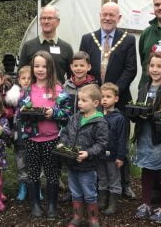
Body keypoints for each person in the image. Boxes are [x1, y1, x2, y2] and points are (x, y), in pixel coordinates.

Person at [79, 1, 137, 199]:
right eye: (105, 14)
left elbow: (131, 69)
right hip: (94, 103)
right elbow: (84, 66)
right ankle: (97, 183)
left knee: (120, 141)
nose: (108, 18)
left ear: (119, 18)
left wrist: (112, 94)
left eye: (112, 15)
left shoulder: (128, 40)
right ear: (100, 15)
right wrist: (96, 95)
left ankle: (124, 183)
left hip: (119, 101)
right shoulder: (88, 39)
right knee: (94, 141)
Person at [17, 50, 71, 218]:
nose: (40, 69)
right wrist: (27, 112)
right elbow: (20, 114)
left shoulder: (57, 89)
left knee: (52, 173)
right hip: (32, 139)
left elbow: (67, 113)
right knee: (33, 172)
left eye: (44, 66)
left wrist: (53, 113)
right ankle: (35, 205)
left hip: (51, 138)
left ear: (50, 68)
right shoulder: (26, 90)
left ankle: (52, 206)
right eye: (36, 66)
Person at [132, 51, 161, 223]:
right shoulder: (144, 87)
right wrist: (135, 113)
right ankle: (146, 203)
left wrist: (154, 115)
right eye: (152, 66)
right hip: (145, 135)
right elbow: (138, 106)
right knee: (146, 169)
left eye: (159, 66)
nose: (155, 69)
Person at [60, 84, 108, 227]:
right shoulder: (75, 118)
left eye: (84, 100)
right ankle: (77, 216)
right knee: (75, 191)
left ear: (95, 103)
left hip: (88, 166)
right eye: (79, 100)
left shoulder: (100, 122)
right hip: (72, 163)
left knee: (89, 192)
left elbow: (102, 143)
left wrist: (88, 153)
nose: (79, 103)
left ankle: (93, 218)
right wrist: (63, 145)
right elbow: (65, 133)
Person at [18, 5, 73, 84]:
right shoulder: (28, 46)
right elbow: (20, 74)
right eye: (43, 18)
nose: (46, 21)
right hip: (34, 94)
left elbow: (71, 78)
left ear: (58, 22)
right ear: (40, 21)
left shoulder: (66, 48)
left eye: (50, 18)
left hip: (57, 95)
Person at [97, 82, 128, 216]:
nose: (104, 99)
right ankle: (102, 200)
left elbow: (122, 139)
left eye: (108, 97)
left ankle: (113, 203)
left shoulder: (119, 118)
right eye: (102, 96)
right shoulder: (97, 115)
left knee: (114, 178)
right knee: (102, 178)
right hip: (99, 154)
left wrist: (120, 157)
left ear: (116, 99)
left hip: (113, 156)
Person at [9, 65, 31, 201]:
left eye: (30, 78)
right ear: (19, 79)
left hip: (35, 132)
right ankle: (23, 185)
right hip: (19, 132)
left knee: (35, 160)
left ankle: (36, 185)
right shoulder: (15, 95)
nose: (27, 81)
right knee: (21, 160)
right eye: (24, 78)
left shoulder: (37, 92)